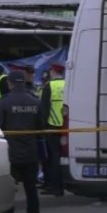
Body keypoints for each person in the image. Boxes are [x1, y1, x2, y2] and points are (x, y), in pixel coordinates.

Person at [0, 69, 45, 213]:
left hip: (11, 153)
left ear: (10, 83)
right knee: (31, 190)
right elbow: (41, 127)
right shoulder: (35, 101)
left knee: (9, 190)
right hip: (31, 152)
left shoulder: (5, 101)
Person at [39, 62, 66, 196]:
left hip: (52, 126)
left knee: (53, 157)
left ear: (53, 71)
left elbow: (44, 109)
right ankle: (64, 185)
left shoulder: (49, 86)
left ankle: (55, 187)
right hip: (66, 126)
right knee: (63, 156)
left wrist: (42, 127)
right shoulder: (68, 84)